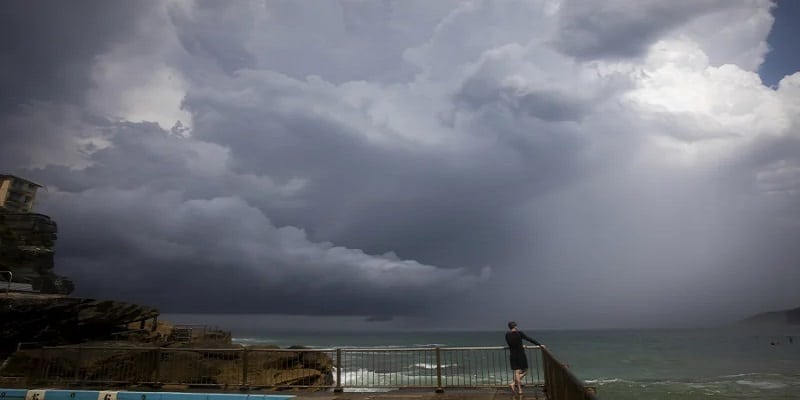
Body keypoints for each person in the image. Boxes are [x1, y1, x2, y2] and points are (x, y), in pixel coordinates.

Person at [505, 321, 542, 395]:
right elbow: (529, 339)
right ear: (515, 326)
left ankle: (519, 389)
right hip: (520, 354)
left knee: (516, 372)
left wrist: (520, 346)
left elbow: (511, 344)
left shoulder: (507, 335)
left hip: (513, 355)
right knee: (525, 371)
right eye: (516, 326)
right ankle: (513, 384)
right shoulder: (519, 333)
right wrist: (539, 344)